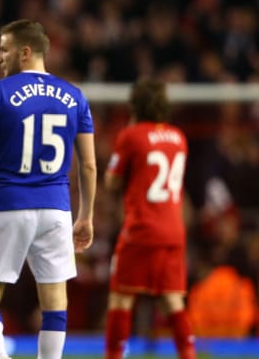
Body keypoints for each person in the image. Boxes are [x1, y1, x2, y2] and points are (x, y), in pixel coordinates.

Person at [0, 19, 96, 359]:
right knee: (55, 302)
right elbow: (88, 165)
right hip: (56, 208)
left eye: (4, 49)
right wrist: (86, 215)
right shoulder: (75, 96)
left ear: (25, 52)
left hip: (6, 203)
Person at [103, 80, 195, 359]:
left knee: (121, 296)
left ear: (135, 105)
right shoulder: (179, 138)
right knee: (172, 299)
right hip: (173, 230)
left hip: (141, 228)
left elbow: (111, 181)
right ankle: (188, 354)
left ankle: (114, 356)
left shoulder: (131, 135)